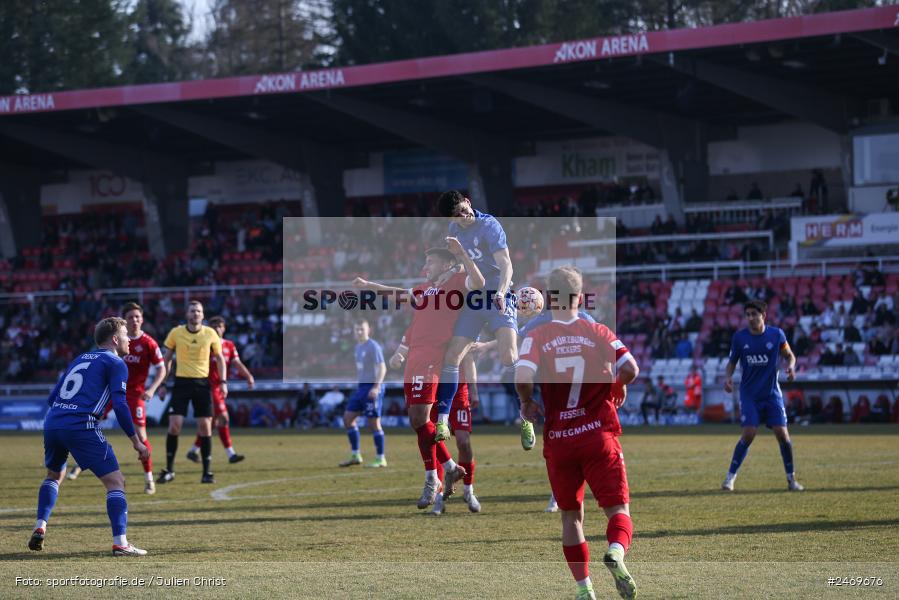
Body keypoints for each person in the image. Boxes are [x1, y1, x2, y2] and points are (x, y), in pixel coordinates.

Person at [516, 266, 640, 600]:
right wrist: (616, 385)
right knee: (618, 511)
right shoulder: (597, 330)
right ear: (581, 297)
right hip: (598, 435)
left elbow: (523, 377)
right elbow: (631, 369)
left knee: (571, 517)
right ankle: (615, 551)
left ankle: (584, 589)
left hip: (559, 441)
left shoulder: (536, 335)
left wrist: (527, 402)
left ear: (549, 297)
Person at [361, 240, 484, 511]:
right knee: (418, 421)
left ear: (446, 263)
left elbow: (479, 280)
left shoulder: (458, 281)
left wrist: (461, 254)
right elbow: (398, 294)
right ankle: (444, 470)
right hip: (416, 356)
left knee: (420, 418)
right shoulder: (426, 289)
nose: (424, 266)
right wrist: (370, 287)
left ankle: (437, 477)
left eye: (430, 262)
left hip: (433, 357)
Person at [30, 317, 149, 556]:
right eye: (125, 335)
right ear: (115, 339)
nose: (129, 340)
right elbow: (120, 405)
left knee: (54, 474)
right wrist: (136, 441)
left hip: (53, 422)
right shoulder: (116, 363)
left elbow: (53, 397)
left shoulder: (80, 358)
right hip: (81, 425)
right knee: (116, 483)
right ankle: (120, 543)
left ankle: (40, 525)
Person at [433, 191, 519, 446]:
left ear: (468, 202)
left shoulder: (490, 225)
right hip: (474, 297)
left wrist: (502, 293)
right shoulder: (454, 229)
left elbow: (506, 265)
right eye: (456, 215)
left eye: (462, 209)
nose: (462, 216)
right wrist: (450, 273)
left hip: (497, 294)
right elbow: (464, 264)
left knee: (509, 357)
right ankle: (442, 419)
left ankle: (525, 417)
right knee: (452, 355)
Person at [68, 302, 166, 495]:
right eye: (130, 317)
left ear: (142, 319)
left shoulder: (148, 343)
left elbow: (162, 368)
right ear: (125, 320)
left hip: (135, 394)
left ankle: (149, 478)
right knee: (90, 424)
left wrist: (153, 388)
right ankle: (81, 463)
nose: (134, 320)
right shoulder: (114, 342)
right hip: (110, 392)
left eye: (137, 317)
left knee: (141, 436)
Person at [722, 300, 804, 492]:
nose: (750, 318)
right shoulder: (740, 338)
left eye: (754, 314)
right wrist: (728, 377)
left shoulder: (776, 335)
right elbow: (731, 362)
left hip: (771, 394)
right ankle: (730, 478)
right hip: (749, 394)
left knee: (782, 434)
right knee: (749, 433)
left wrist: (791, 367)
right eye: (747, 314)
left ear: (763, 315)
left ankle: (791, 479)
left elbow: (789, 355)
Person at [157, 300, 226, 485]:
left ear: (203, 315)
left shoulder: (210, 333)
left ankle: (206, 472)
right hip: (181, 383)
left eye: (198, 311)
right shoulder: (176, 332)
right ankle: (169, 470)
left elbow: (220, 359)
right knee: (174, 425)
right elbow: (167, 359)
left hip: (202, 384)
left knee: (205, 427)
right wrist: (163, 383)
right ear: (187, 314)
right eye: (192, 310)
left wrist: (223, 382)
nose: (195, 313)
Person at [187, 316, 254, 465]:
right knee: (223, 418)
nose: (217, 328)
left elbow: (237, 363)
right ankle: (231, 454)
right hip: (206, 387)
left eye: (220, 326)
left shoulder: (229, 345)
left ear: (224, 328)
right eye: (214, 326)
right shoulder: (204, 343)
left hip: (219, 387)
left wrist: (248, 376)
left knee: (211, 423)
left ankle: (193, 450)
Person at [338, 319, 388, 468]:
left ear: (369, 330)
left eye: (362, 329)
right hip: (361, 388)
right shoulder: (357, 347)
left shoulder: (373, 346)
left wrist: (376, 387)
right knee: (348, 419)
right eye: (357, 329)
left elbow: (382, 367)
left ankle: (381, 458)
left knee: (373, 423)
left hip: (372, 387)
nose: (359, 332)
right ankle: (356, 455)